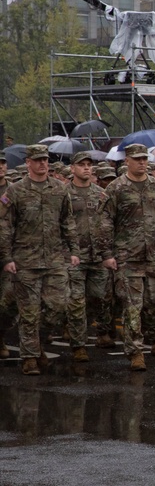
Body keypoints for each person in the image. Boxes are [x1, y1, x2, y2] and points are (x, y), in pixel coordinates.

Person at [98, 144, 155, 372]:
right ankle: (135, 351)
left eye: (144, 159)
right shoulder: (116, 189)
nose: (142, 162)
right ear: (127, 161)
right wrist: (107, 254)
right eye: (137, 159)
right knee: (132, 306)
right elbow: (105, 222)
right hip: (128, 257)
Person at [0, 145, 80, 375]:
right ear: (28, 163)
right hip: (25, 260)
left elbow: (68, 221)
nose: (42, 163)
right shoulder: (15, 191)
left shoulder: (59, 188)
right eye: (37, 160)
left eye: (45, 159)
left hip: (55, 259)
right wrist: (6, 257)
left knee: (59, 306)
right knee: (29, 312)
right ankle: (30, 358)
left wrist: (73, 250)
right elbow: (5, 226)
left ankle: (38, 345)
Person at [65, 151, 109, 361]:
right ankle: (78, 344)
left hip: (98, 256)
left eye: (89, 165)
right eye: (81, 165)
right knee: (76, 302)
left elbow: (108, 224)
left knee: (97, 298)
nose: (86, 168)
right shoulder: (63, 193)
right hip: (73, 256)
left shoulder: (101, 194)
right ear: (72, 168)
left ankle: (82, 330)